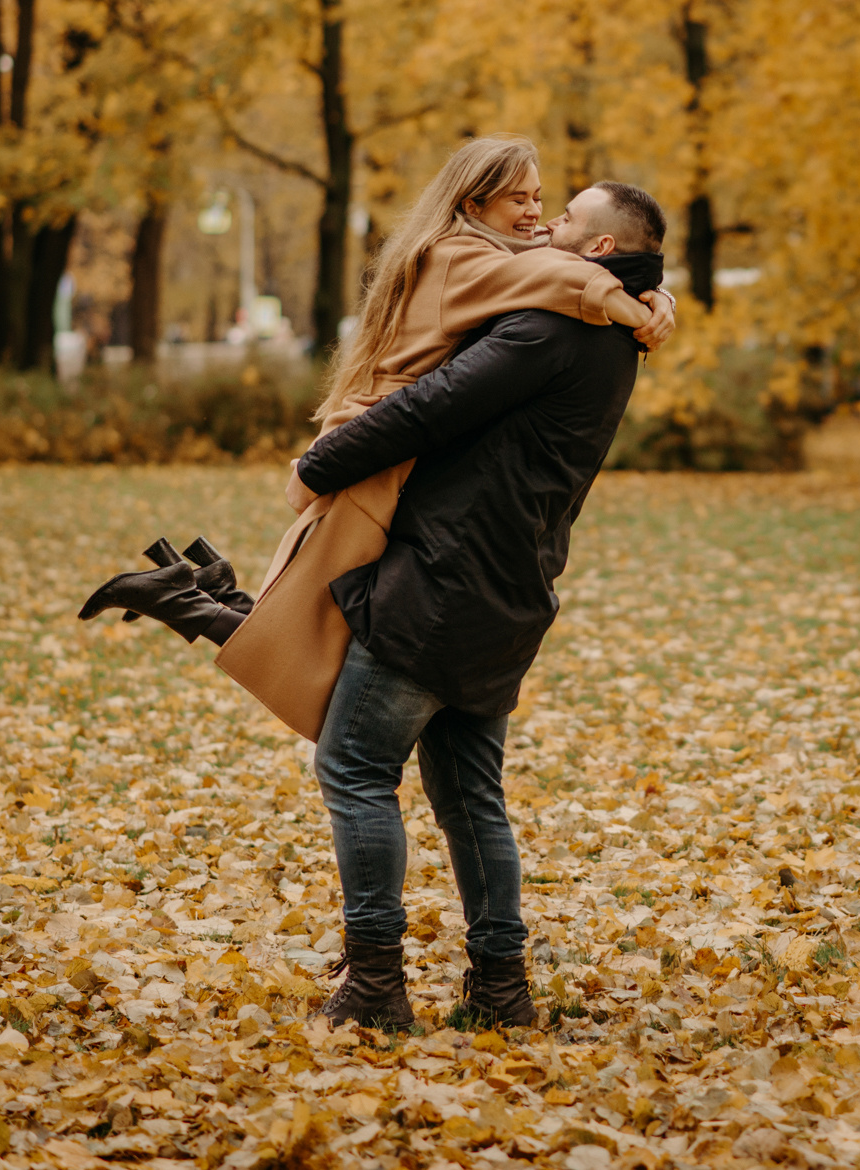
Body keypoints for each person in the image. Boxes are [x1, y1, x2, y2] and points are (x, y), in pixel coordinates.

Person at [77, 136, 675, 742]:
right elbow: (573, 281)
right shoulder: (465, 258)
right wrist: (644, 311)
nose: (538, 216)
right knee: (314, 642)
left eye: (540, 198)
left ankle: (199, 591)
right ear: (472, 205)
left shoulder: (486, 254)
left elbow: (564, 266)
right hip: (376, 448)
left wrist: (657, 291)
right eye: (518, 199)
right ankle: (185, 599)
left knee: (323, 627)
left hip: (383, 445)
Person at [286, 180, 670, 1032]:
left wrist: (319, 466)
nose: (548, 222)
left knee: (354, 769)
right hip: (514, 588)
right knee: (470, 796)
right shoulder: (617, 333)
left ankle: (375, 985)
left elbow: (431, 406)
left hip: (444, 581)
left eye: (566, 217)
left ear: (600, 250)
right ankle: (500, 989)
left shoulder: (552, 329)